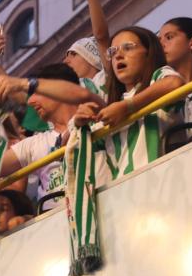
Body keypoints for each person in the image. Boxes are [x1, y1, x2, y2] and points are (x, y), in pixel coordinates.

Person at [73, 26, 185, 180]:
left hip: (162, 184)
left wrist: (127, 107)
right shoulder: (112, 107)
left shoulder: (157, 80)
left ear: (148, 53)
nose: (118, 55)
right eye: (113, 52)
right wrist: (80, 125)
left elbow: (175, 83)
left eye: (128, 47)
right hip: (123, 193)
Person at [0, 63, 103, 210]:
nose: (31, 102)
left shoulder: (98, 119)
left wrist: (22, 83)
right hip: (51, 224)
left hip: (104, 208)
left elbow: (85, 95)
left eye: (36, 92)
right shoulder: (33, 144)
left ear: (57, 90)